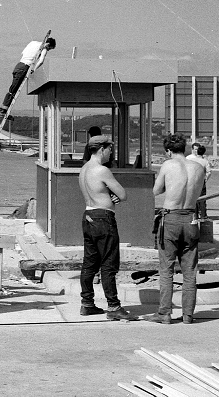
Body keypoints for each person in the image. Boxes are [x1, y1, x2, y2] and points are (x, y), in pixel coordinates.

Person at [145, 133, 206, 325]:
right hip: (191, 218)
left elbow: (156, 190)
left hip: (171, 218)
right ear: (185, 148)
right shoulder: (198, 167)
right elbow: (197, 190)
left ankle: (165, 313)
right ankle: (188, 314)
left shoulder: (168, 165)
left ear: (169, 151)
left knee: (167, 269)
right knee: (190, 272)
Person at [78, 135, 133, 321]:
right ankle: (114, 306)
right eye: (110, 149)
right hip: (103, 218)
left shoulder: (84, 169)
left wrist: (108, 194)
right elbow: (123, 195)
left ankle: (87, 303)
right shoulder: (102, 170)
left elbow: (96, 192)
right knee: (108, 263)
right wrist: (112, 195)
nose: (111, 152)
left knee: (89, 262)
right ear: (102, 149)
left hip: (88, 216)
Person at [0, 37, 56, 120]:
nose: (48, 50)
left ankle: (5, 110)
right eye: (49, 48)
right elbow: (41, 61)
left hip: (18, 66)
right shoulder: (44, 49)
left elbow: (23, 53)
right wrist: (33, 69)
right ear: (48, 44)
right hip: (25, 68)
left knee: (13, 89)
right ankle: (3, 111)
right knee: (13, 90)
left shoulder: (32, 43)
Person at [187, 142, 212, 218]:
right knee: (202, 199)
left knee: (193, 199)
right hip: (201, 182)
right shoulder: (205, 161)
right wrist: (205, 179)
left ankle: (195, 215)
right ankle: (203, 216)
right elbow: (209, 172)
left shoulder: (190, 160)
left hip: (192, 181)